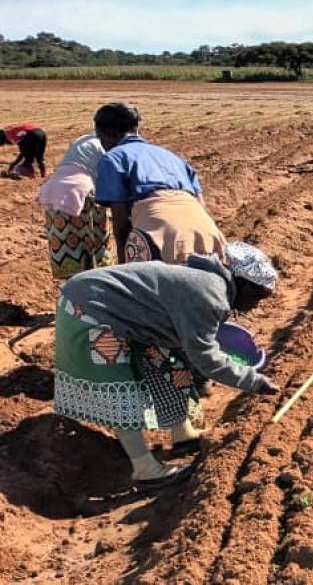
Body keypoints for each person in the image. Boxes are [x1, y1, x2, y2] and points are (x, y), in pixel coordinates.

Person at [53, 242, 279, 490]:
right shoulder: (210, 295)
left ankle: (182, 434)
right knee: (118, 387)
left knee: (168, 362)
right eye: (258, 296)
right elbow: (206, 357)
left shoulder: (212, 285)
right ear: (244, 283)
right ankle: (145, 469)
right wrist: (253, 381)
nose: (257, 304)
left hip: (118, 311)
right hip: (90, 308)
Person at [93, 103, 225, 264]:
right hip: (205, 231)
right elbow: (201, 206)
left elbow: (121, 225)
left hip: (159, 232)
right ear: (135, 129)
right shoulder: (173, 157)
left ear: (106, 135)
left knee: (152, 287)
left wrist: (124, 268)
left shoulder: (113, 159)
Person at [37, 133, 112, 279]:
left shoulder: (82, 140)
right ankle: (98, 286)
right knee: (97, 244)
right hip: (82, 191)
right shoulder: (108, 143)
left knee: (66, 244)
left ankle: (71, 291)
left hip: (53, 191)